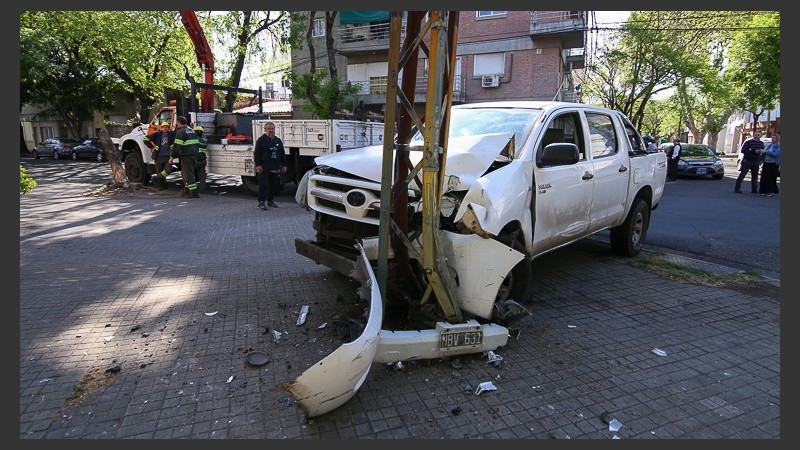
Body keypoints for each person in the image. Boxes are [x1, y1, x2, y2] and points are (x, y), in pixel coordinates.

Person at [253, 121, 287, 210]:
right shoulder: (261, 140)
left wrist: (284, 165)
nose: (271, 130)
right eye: (269, 129)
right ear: (265, 130)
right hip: (264, 168)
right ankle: (261, 202)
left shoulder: (278, 140)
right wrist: (258, 165)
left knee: (273, 185)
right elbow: (257, 154)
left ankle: (270, 201)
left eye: (272, 129)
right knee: (263, 185)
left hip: (275, 167)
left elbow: (282, 153)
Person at [169, 116, 200, 198]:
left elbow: (177, 146)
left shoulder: (181, 132)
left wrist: (172, 157)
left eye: (177, 123)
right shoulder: (192, 130)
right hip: (194, 154)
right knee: (188, 172)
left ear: (179, 123)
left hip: (187, 155)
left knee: (188, 174)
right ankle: (186, 190)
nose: (176, 124)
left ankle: (193, 192)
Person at [143, 122, 175, 190]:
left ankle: (157, 178)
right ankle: (162, 187)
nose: (165, 128)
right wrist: (151, 147)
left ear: (169, 128)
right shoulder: (157, 134)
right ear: (161, 128)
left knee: (168, 170)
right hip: (158, 157)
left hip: (168, 157)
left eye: (166, 127)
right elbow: (145, 139)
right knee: (159, 171)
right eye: (164, 127)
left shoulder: (172, 134)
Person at [193, 126, 208, 194]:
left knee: (190, 175)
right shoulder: (204, 141)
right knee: (202, 176)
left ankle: (191, 190)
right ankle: (201, 190)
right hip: (202, 160)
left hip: (195, 160)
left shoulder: (193, 140)